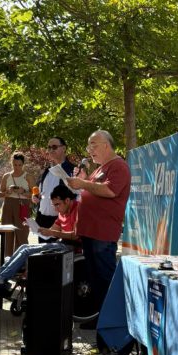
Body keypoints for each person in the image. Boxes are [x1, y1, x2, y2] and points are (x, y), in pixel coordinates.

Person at [67, 129, 131, 323]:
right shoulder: (99, 168)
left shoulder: (118, 166)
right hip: (91, 233)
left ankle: (114, 328)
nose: (90, 150)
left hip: (102, 235)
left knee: (105, 281)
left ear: (106, 145)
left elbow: (110, 191)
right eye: (89, 146)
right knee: (95, 280)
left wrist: (83, 184)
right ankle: (100, 322)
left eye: (92, 145)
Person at [0, 184, 79, 300]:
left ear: (67, 200)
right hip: (62, 244)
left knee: (26, 250)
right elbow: (50, 233)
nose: (56, 209)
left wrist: (52, 233)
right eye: (54, 205)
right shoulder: (62, 213)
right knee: (24, 246)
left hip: (72, 247)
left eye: (57, 205)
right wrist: (36, 228)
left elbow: (76, 236)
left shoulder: (79, 210)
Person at [35, 137, 75, 242]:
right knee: (42, 254)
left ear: (64, 148)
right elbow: (41, 192)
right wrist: (35, 197)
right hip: (42, 219)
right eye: (49, 148)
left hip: (59, 221)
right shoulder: (47, 170)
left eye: (54, 147)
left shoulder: (72, 170)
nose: (51, 150)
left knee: (55, 257)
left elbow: (74, 196)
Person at [0, 152, 32, 257]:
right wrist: (6, 192)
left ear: (23, 164)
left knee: (22, 236)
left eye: (19, 165)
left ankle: (22, 264)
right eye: (15, 165)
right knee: (7, 235)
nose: (17, 167)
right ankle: (6, 261)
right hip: (8, 205)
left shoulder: (28, 177)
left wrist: (23, 192)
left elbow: (36, 195)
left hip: (23, 206)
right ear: (11, 163)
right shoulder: (6, 176)